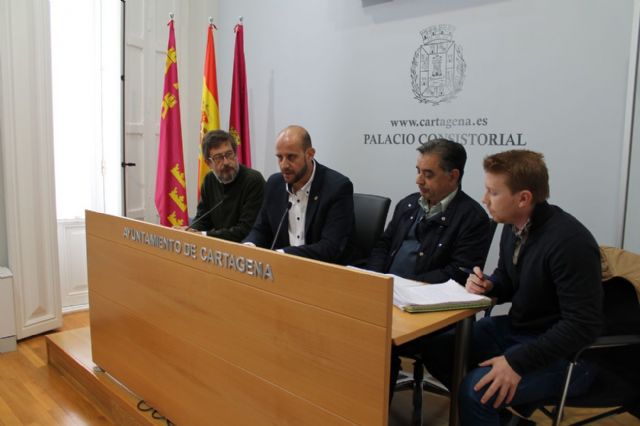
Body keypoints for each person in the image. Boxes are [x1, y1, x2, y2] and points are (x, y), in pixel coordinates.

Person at [423, 150, 603, 425]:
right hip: (521, 331)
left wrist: (516, 363)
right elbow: (509, 279)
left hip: (570, 356)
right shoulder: (515, 224)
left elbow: (581, 326)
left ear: (523, 198)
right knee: (438, 348)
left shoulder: (569, 242)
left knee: (477, 391)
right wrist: (490, 285)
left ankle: (492, 407)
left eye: (492, 193)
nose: (484, 200)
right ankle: (503, 414)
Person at [365, 138, 492, 400]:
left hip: (428, 310)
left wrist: (406, 289)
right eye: (418, 171)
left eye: (428, 174)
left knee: (378, 341)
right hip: (387, 295)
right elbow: (382, 245)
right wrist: (377, 279)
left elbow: (458, 272)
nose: (419, 180)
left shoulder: (472, 217)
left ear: (453, 175)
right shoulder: (409, 204)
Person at [243, 125, 354, 263]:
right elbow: (261, 229)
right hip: (283, 268)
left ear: (310, 154)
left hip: (322, 271)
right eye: (280, 157)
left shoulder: (337, 187)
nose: (284, 165)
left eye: (291, 157)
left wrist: (283, 254)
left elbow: (330, 247)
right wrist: (249, 247)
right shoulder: (274, 184)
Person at [187, 130, 265, 242]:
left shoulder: (253, 181)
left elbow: (246, 230)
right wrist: (190, 231)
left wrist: (204, 235)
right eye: (218, 158)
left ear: (235, 153)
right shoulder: (209, 180)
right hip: (220, 250)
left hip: (246, 250)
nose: (226, 162)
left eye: (229, 154)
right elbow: (203, 219)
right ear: (208, 163)